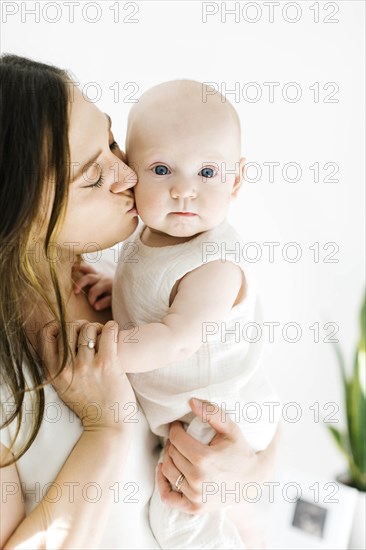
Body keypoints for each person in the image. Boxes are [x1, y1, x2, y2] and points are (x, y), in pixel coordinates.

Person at [0, 55, 280, 549]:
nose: (128, 175)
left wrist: (246, 473)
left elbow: (251, 392)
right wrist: (105, 428)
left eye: (111, 142)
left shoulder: (148, 274)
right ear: (18, 213)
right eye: (91, 176)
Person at [75, 80, 280, 549]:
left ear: (236, 180)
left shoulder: (214, 263)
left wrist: (99, 349)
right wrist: (116, 288)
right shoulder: (148, 235)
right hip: (186, 407)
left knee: (179, 514)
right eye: (163, 168)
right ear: (133, 171)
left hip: (215, 411)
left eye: (207, 172)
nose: (184, 191)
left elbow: (176, 337)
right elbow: (153, 288)